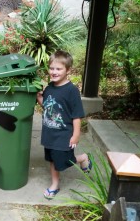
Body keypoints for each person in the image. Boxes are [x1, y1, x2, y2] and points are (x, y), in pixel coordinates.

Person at [36, 50, 92, 200]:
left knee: (64, 161)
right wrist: (40, 98)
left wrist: (76, 135)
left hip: (64, 134)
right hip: (49, 133)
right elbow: (48, 107)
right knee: (53, 160)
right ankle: (55, 184)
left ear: (68, 70)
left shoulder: (71, 91)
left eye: (58, 69)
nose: (54, 72)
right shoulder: (49, 88)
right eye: (52, 68)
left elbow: (77, 116)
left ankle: (82, 158)